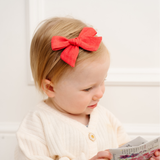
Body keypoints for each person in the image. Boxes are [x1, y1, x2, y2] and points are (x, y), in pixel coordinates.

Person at [14, 17, 160, 160]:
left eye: (103, 81)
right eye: (88, 88)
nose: (100, 93)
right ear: (50, 88)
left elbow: (124, 147)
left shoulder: (105, 116)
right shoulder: (37, 124)